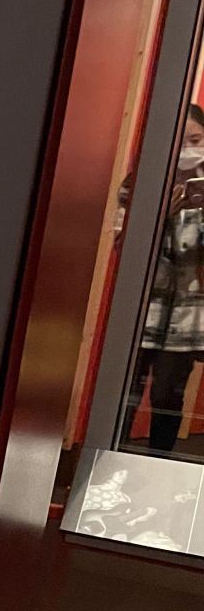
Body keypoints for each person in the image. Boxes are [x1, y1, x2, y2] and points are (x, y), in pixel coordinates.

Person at [127, 104, 204, 455]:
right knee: (127, 386)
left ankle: (161, 461)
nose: (190, 148)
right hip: (144, 305)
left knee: (168, 393)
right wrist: (159, 214)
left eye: (197, 139)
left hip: (189, 311)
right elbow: (118, 240)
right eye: (182, 140)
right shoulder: (142, 178)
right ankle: (111, 456)